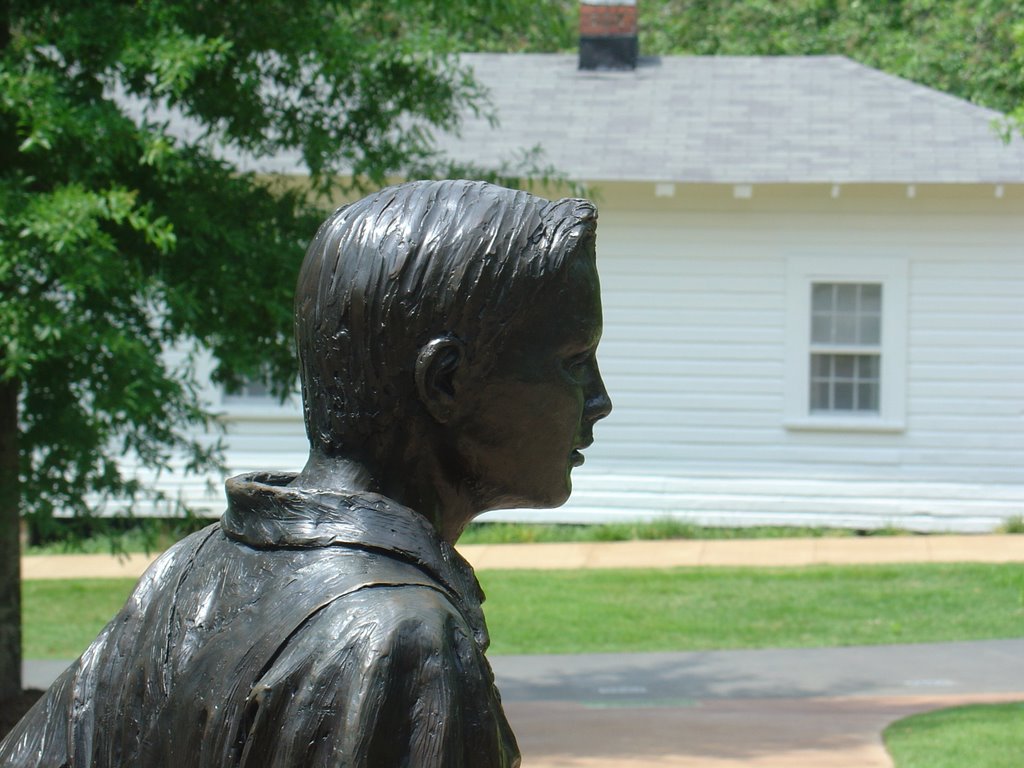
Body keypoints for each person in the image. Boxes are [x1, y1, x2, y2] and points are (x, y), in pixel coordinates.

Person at [0, 179, 611, 767]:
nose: (599, 400)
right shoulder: (399, 644)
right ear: (445, 381)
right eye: (575, 361)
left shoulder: (188, 570)